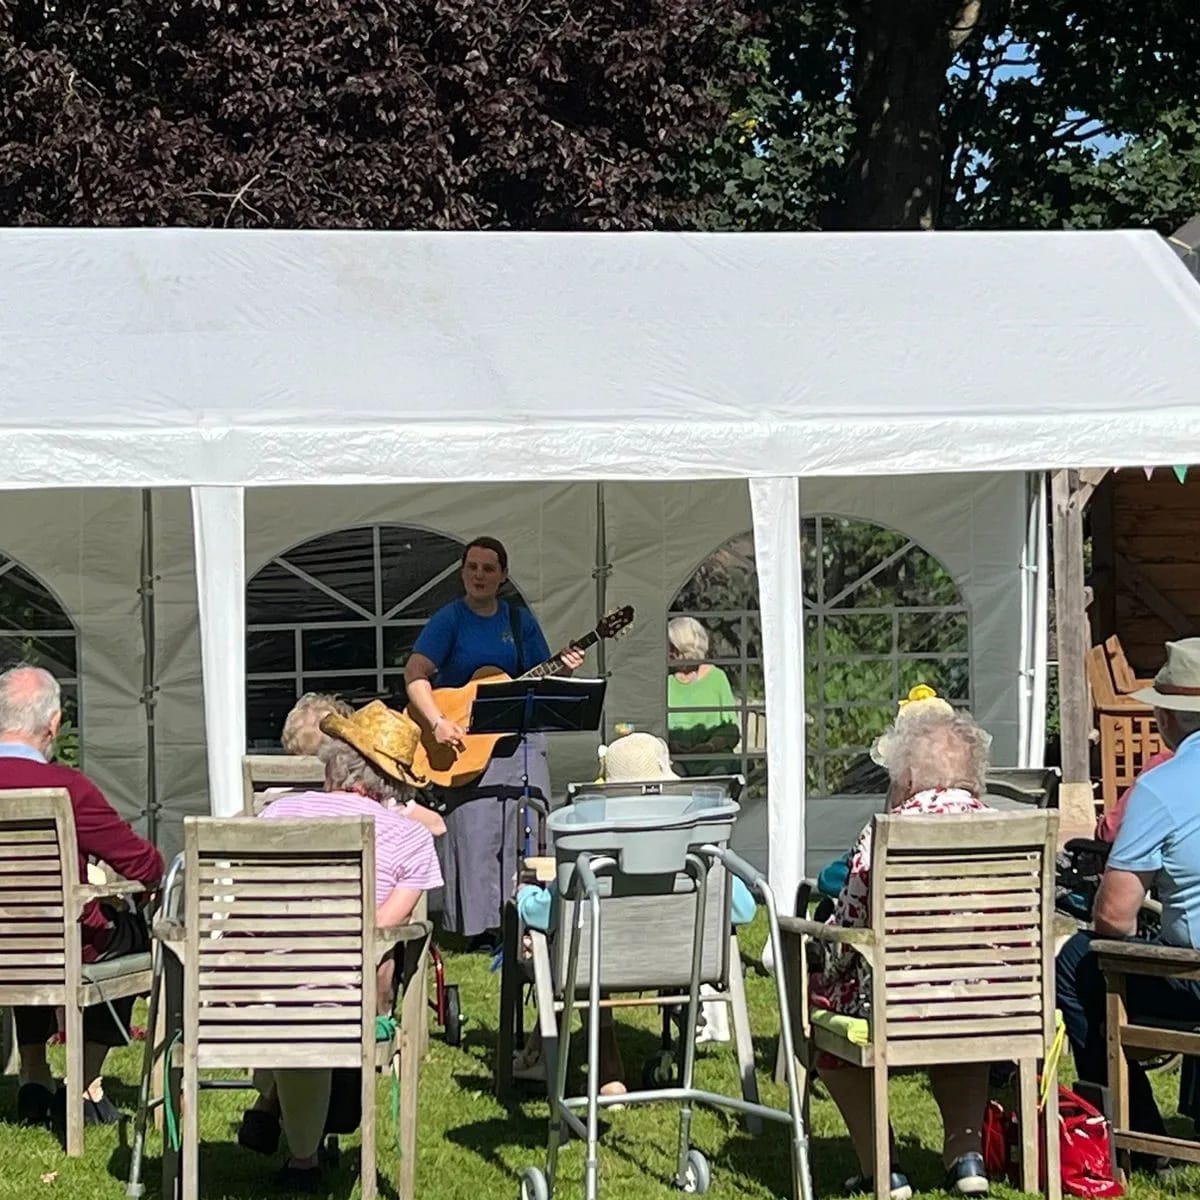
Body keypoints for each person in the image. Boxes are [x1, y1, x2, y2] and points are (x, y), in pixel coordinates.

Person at [237, 700, 443, 1192]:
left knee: (289, 989)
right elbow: (377, 932)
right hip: (341, 998)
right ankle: (304, 1162)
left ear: (334, 762)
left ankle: (271, 1106)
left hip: (256, 996)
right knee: (321, 991)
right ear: (395, 780)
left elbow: (249, 907)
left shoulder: (276, 814)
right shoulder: (411, 838)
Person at [813, 706, 994, 1200]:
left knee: (827, 1019)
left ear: (908, 777)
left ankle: (884, 1169)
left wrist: (821, 959)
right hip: (991, 1006)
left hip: (898, 1004)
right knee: (963, 1014)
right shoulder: (1001, 828)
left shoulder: (887, 831)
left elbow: (850, 923)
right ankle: (966, 1157)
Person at [511, 731, 755, 1097]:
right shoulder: (700, 844)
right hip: (683, 961)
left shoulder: (590, 844)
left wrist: (526, 894)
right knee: (593, 942)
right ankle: (600, 1069)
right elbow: (745, 908)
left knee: (581, 943)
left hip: (603, 962)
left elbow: (551, 911)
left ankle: (557, 1060)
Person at [0, 665, 164, 1133]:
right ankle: (85, 1082)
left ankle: (33, 1073)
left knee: (24, 930)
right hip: (59, 943)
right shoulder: (69, 789)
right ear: (52, 725)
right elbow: (144, 865)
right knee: (127, 934)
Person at [1056, 637, 1200, 1158]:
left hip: (1196, 977)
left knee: (1077, 962)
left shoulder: (1161, 787)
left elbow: (1115, 918)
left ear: (1167, 715)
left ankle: (1143, 1137)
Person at [403, 536, 584, 950]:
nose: (479, 575)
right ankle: (477, 928)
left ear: (503, 576)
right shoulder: (449, 620)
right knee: (475, 831)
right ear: (463, 573)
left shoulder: (518, 622)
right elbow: (415, 673)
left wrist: (567, 666)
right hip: (465, 742)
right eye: (472, 568)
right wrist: (437, 723)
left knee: (529, 823)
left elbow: (546, 677)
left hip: (518, 740)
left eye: (488, 568)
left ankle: (528, 916)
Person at [666, 616, 740, 776]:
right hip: (676, 759)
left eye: (673, 647)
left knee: (719, 775)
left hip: (713, 757)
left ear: (685, 647)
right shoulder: (666, 681)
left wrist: (709, 746)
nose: (669, 652)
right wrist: (672, 745)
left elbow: (731, 729)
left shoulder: (717, 677)